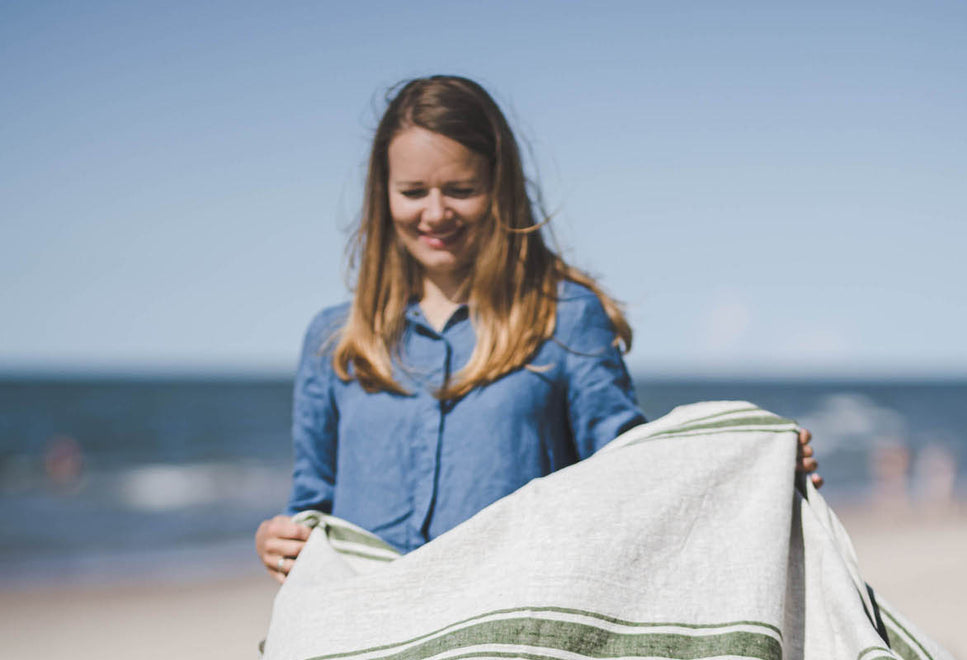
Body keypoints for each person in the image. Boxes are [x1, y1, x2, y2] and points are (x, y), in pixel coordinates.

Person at [256, 76, 819, 582]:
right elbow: (312, 506)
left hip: (508, 640)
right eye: (412, 192)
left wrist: (757, 460)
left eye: (459, 189)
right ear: (384, 197)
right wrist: (277, 541)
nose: (434, 213)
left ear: (499, 188)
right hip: (367, 642)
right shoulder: (334, 339)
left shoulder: (565, 315)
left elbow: (637, 473)